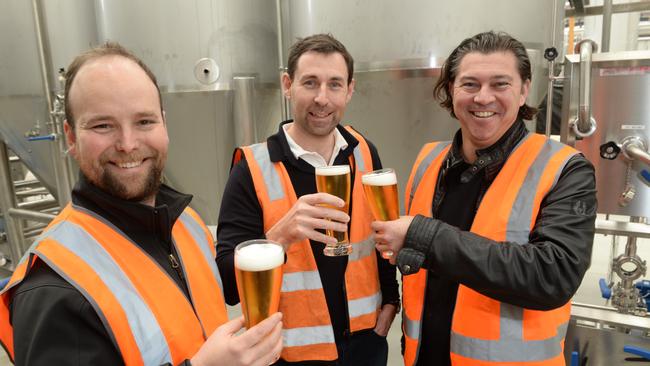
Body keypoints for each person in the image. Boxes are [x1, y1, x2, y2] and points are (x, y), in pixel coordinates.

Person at [0, 42, 283, 366]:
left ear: (164, 123)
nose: (128, 143)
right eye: (102, 125)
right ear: (70, 137)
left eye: (144, 121)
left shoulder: (187, 224)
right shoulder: (54, 285)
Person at [372, 31, 597, 366]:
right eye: (470, 84)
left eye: (500, 84)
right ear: (451, 90)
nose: (483, 98)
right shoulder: (427, 161)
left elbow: (554, 276)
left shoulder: (565, 169)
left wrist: (425, 236)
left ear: (523, 91)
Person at [216, 34, 399, 365]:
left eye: (334, 85)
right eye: (310, 83)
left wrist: (391, 302)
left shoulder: (364, 152)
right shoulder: (252, 169)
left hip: (367, 346)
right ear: (288, 85)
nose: (322, 98)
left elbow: (379, 236)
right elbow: (228, 284)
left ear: (350, 90)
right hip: (290, 355)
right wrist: (280, 237)